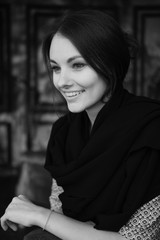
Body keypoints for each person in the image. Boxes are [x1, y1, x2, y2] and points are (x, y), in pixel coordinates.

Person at [1, 9, 160, 240]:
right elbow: (61, 222)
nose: (62, 82)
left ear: (111, 65)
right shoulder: (63, 133)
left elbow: (135, 239)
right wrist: (47, 219)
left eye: (77, 65)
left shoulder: (153, 129)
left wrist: (38, 215)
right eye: (56, 68)